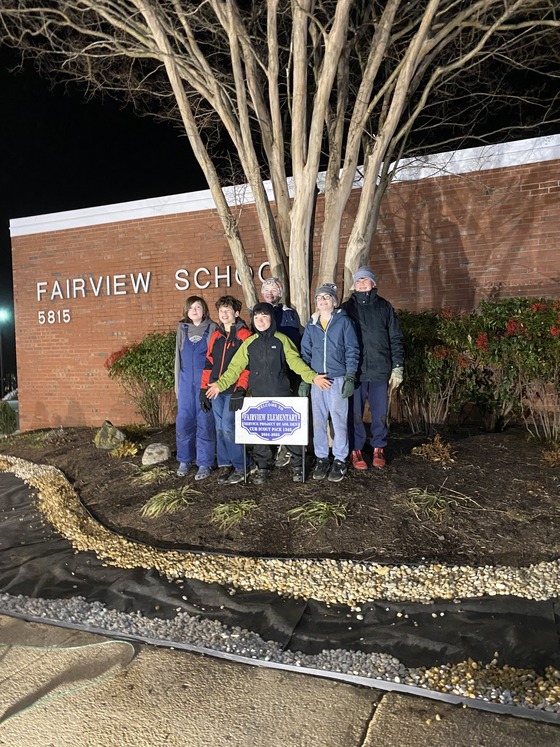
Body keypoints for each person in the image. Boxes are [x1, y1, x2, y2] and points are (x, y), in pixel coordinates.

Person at [205, 302, 331, 484]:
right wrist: (219, 385)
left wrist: (313, 377)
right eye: (256, 317)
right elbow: (234, 368)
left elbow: (295, 362)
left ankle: (298, 465)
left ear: (271, 318)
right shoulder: (250, 343)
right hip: (259, 395)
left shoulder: (281, 340)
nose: (260, 321)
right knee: (259, 433)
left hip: (281, 392)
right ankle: (263, 466)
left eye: (264, 316)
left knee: (289, 431)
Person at [342, 267, 404, 469]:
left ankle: (379, 447)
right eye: (358, 281)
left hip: (379, 368)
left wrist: (397, 367)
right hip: (356, 371)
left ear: (373, 284)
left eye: (365, 280)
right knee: (355, 413)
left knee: (379, 412)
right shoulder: (346, 308)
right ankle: (356, 449)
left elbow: (395, 338)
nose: (361, 284)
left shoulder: (384, 307)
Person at [300, 283, 359, 482]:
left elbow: (352, 350)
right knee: (318, 422)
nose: (322, 301)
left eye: (326, 297)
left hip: (337, 378)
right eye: (319, 298)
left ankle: (340, 459)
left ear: (334, 301)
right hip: (318, 380)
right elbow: (306, 353)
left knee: (339, 421)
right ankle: (322, 458)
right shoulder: (312, 324)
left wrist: (350, 376)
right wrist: (306, 379)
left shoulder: (344, 322)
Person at [200, 296, 254, 485]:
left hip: (233, 390)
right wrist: (202, 389)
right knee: (220, 428)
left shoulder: (244, 335)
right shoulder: (216, 335)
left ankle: (243, 465)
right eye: (221, 310)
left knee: (229, 428)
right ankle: (226, 464)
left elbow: (248, 365)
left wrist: (241, 388)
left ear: (236, 314)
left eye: (228, 310)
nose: (224, 314)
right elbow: (209, 362)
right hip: (215, 389)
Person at [261, 275, 302, 468]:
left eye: (274, 290)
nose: (270, 293)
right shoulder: (258, 313)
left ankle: (287, 449)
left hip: (284, 370)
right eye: (267, 290)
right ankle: (270, 450)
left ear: (280, 293)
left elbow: (292, 342)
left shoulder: (288, 313)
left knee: (285, 410)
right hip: (265, 372)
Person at [174, 295, 216, 480]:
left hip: (204, 384)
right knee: (184, 421)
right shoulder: (182, 328)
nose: (194, 310)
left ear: (204, 310)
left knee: (205, 422)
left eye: (198, 307)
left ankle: (205, 463)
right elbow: (178, 359)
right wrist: (177, 387)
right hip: (185, 385)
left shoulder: (212, 327)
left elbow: (216, 359)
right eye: (191, 307)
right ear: (186, 311)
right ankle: (185, 459)